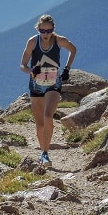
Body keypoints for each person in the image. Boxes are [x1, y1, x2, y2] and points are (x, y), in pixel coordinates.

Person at [20, 14, 77, 166]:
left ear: (53, 29)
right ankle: (43, 152)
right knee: (39, 124)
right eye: (42, 31)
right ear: (38, 29)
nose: (45, 34)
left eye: (49, 30)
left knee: (47, 116)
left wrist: (67, 68)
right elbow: (22, 65)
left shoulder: (59, 40)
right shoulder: (32, 42)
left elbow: (73, 49)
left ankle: (46, 154)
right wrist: (32, 70)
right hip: (36, 84)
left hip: (54, 83)